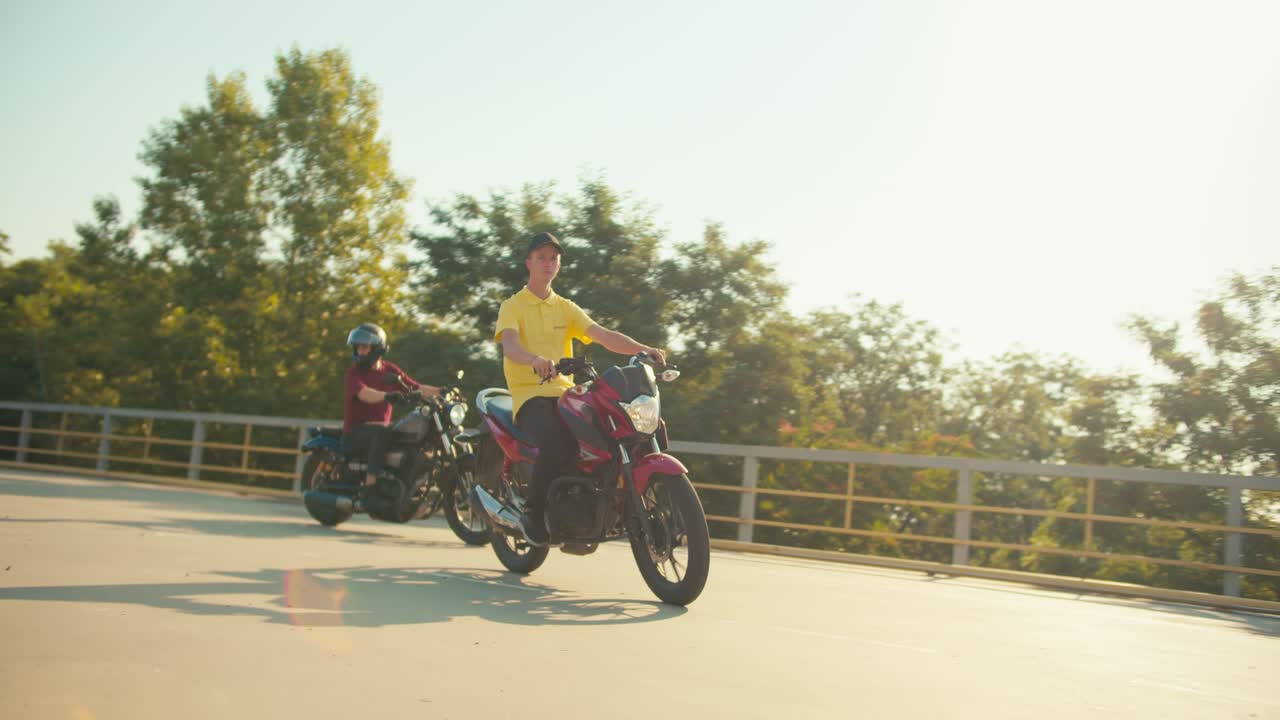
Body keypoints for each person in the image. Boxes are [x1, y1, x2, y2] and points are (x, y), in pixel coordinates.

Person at [494, 232, 666, 544]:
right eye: (542, 257)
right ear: (528, 262)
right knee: (560, 442)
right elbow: (511, 347)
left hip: (566, 394)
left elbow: (603, 335)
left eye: (554, 258)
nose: (548, 263)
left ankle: (592, 504)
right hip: (531, 396)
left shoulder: (565, 307)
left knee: (609, 433)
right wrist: (534, 360)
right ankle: (533, 511)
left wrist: (642, 349)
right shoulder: (513, 306)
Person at [342, 322, 440, 490]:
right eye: (358, 347)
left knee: (406, 433)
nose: (360, 351)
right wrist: (387, 396)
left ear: (377, 348)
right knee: (384, 431)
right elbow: (364, 393)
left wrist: (442, 391)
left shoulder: (389, 370)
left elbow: (416, 387)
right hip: (356, 432)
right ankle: (370, 482)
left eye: (364, 347)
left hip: (380, 430)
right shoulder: (354, 372)